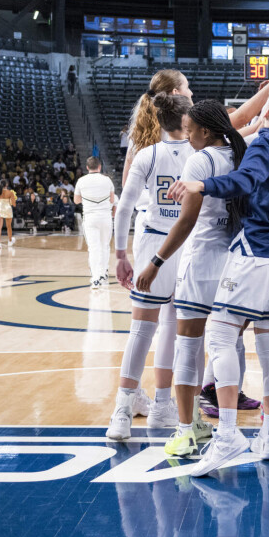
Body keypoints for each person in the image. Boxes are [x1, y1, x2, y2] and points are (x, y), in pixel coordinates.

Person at [167, 86, 269, 476]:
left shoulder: (263, 145)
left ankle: (227, 435)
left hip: (253, 255)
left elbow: (243, 182)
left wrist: (202, 184)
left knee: (220, 336)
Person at [131, 99, 250, 458]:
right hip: (234, 262)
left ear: (205, 131)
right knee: (226, 347)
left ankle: (187, 431)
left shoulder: (199, 161)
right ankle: (227, 427)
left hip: (200, 263)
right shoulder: (239, 155)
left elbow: (185, 222)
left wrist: (155, 260)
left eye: (189, 128)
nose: (185, 134)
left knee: (188, 349)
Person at [107, 93, 192, 441]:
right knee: (173, 328)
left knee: (140, 332)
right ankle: (161, 405)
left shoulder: (145, 153)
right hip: (184, 245)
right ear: (187, 120)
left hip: (150, 242)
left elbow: (124, 208)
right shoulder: (199, 155)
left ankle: (122, 411)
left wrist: (120, 255)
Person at [73, 157, 116, 288]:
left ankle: (96, 278)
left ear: (87, 167)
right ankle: (103, 273)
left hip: (90, 217)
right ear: (99, 167)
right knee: (105, 246)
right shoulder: (107, 180)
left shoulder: (81, 181)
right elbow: (112, 199)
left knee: (94, 248)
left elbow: (76, 201)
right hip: (105, 217)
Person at [0, 180, 16, 249]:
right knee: (8, 226)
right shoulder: (10, 193)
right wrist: (12, 200)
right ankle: (9, 241)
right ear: (7, 184)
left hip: (0, 208)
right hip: (7, 209)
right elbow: (14, 204)